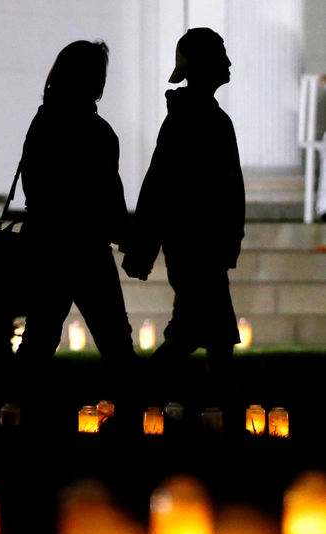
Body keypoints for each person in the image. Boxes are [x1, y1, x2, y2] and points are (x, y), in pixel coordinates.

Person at [122, 28, 245, 411]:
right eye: (220, 55)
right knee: (197, 336)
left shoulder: (202, 117)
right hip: (195, 248)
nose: (228, 63)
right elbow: (160, 186)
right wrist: (143, 245)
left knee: (207, 335)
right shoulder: (191, 120)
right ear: (203, 64)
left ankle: (213, 412)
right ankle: (138, 403)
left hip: (201, 247)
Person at [16, 40, 136, 407]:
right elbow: (109, 202)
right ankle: (134, 414)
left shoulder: (43, 122)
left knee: (38, 339)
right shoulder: (98, 133)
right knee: (116, 343)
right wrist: (133, 241)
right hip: (86, 251)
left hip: (46, 246)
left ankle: (11, 410)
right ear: (95, 82)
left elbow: (33, 188)